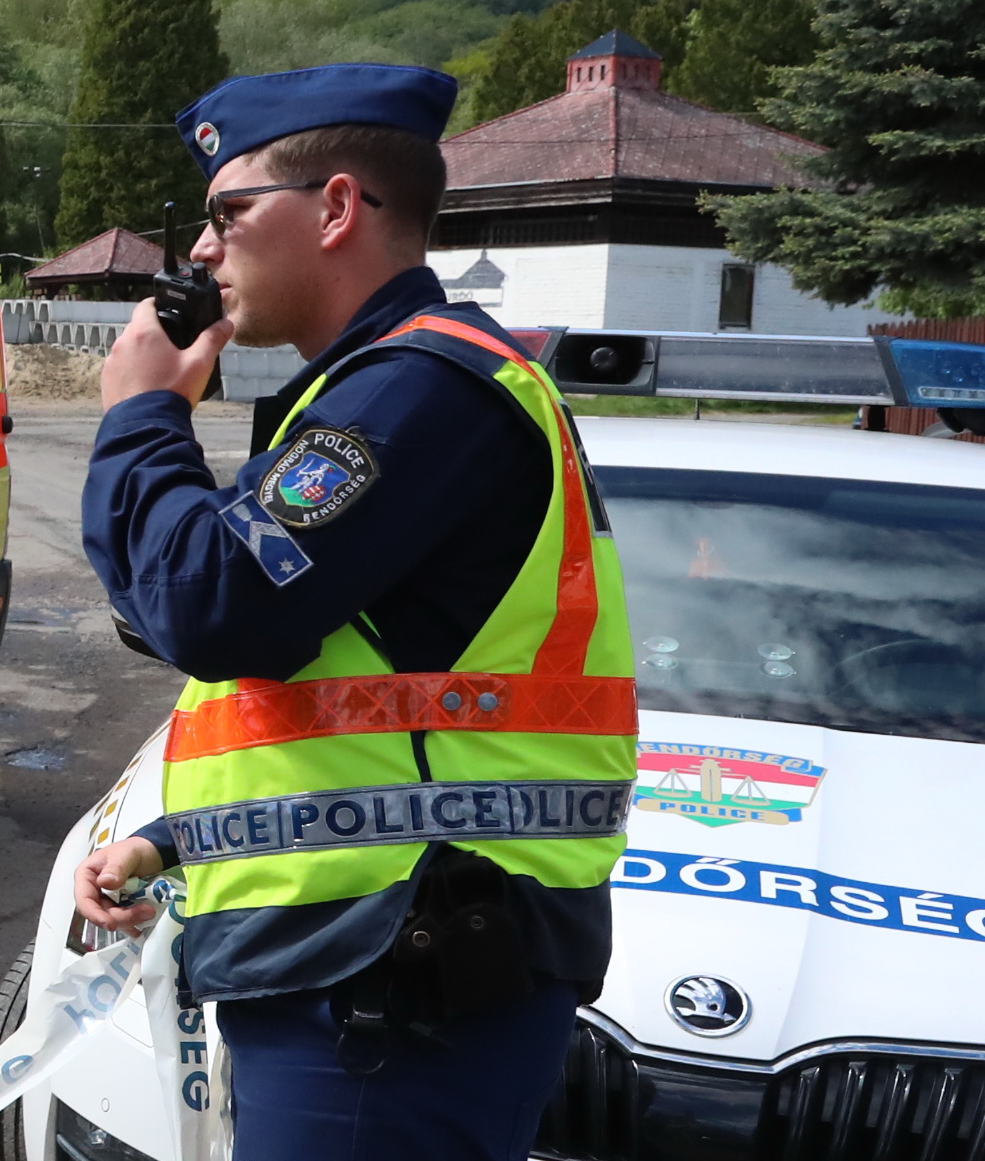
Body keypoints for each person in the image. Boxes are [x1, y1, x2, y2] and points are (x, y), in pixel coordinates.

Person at [73, 64, 639, 1161]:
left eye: (227, 213)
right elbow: (347, 698)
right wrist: (178, 836)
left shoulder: (420, 391)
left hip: (399, 978)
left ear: (335, 208)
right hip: (375, 957)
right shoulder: (375, 389)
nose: (201, 250)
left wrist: (142, 416)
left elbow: (214, 607)